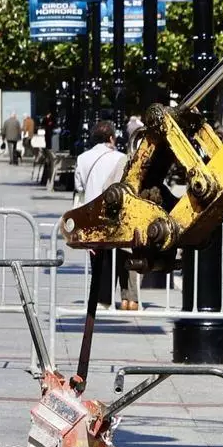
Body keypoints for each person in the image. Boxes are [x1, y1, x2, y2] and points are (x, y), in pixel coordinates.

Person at [74, 121, 133, 310]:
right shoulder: (121, 157)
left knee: (98, 256)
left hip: (92, 214)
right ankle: (126, 297)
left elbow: (79, 187)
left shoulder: (83, 158)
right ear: (111, 138)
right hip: (116, 214)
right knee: (120, 253)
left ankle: (102, 297)